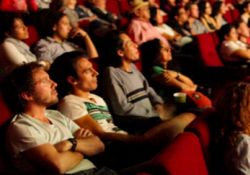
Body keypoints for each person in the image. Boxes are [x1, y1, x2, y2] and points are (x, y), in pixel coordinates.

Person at [53, 51, 194, 170]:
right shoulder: (69, 102)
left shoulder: (97, 98)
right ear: (72, 80)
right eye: (88, 71)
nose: (96, 73)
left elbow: (113, 125)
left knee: (188, 123)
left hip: (125, 140)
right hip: (112, 150)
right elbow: (100, 134)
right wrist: (141, 140)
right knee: (185, 125)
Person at [1, 62, 114, 175]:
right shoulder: (22, 127)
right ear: (27, 95)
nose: (54, 84)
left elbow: (99, 145)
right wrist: (82, 148)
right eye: (45, 81)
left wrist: (70, 144)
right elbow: (59, 165)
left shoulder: (55, 115)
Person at [101, 31, 189, 132]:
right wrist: (154, 113)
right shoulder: (111, 73)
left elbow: (148, 89)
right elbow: (122, 108)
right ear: (120, 52)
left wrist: (158, 104)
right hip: (142, 122)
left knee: (193, 113)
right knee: (187, 120)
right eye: (130, 44)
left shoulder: (133, 67)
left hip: (154, 116)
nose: (135, 45)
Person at [33, 11, 98, 68]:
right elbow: (45, 63)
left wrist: (86, 36)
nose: (70, 27)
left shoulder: (70, 44)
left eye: (69, 24)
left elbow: (93, 59)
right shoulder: (43, 44)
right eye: (65, 24)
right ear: (55, 27)